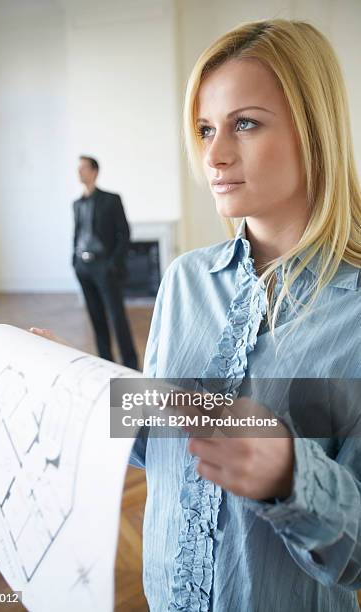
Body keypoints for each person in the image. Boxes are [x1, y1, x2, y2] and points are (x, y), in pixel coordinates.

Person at [32, 19, 361, 611]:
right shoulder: (184, 282)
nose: (214, 154)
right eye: (205, 128)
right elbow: (161, 437)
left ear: (316, 132)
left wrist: (290, 475)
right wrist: (75, 389)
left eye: (245, 123)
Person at [72, 156, 138, 370]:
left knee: (117, 318)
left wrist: (113, 264)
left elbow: (125, 233)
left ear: (94, 171)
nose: (79, 172)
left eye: (83, 168)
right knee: (96, 317)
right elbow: (78, 233)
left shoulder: (111, 199)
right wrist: (74, 260)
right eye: (78, 168)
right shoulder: (76, 204)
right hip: (83, 266)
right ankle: (106, 364)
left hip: (104, 267)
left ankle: (130, 365)